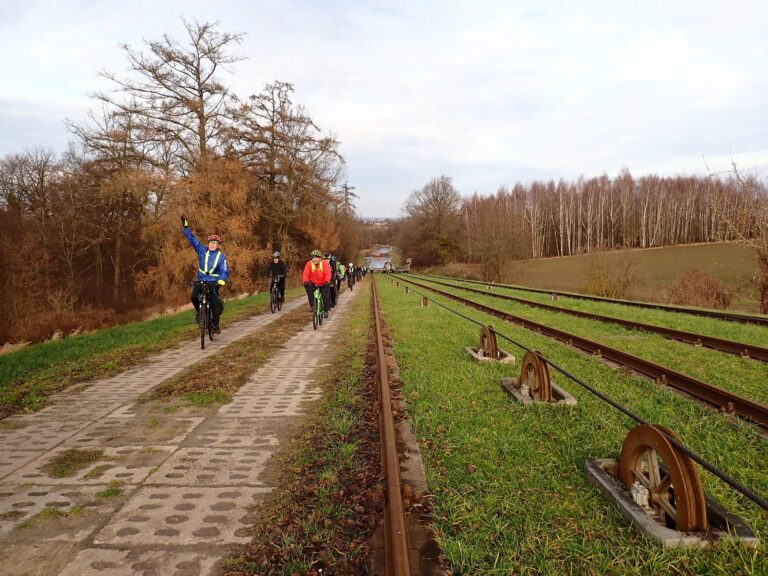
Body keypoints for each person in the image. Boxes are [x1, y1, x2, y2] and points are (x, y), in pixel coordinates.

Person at [181, 215, 229, 334]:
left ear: (218, 245)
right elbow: (192, 239)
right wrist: (185, 227)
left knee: (214, 303)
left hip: (214, 282)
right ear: (208, 244)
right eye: (211, 243)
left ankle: (216, 325)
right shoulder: (202, 250)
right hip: (202, 279)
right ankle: (200, 314)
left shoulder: (221, 257)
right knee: (193, 297)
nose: (212, 245)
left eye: (215, 243)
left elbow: (225, 270)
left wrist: (222, 279)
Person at [302, 249, 332, 317]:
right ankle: (312, 306)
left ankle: (325, 310)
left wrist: (327, 281)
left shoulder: (324, 263)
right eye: (313, 257)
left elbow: (328, 273)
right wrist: (305, 281)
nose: (314, 259)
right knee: (309, 292)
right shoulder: (309, 263)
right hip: (313, 282)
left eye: (316, 257)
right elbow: (306, 273)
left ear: (320, 258)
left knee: (325, 296)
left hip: (323, 283)